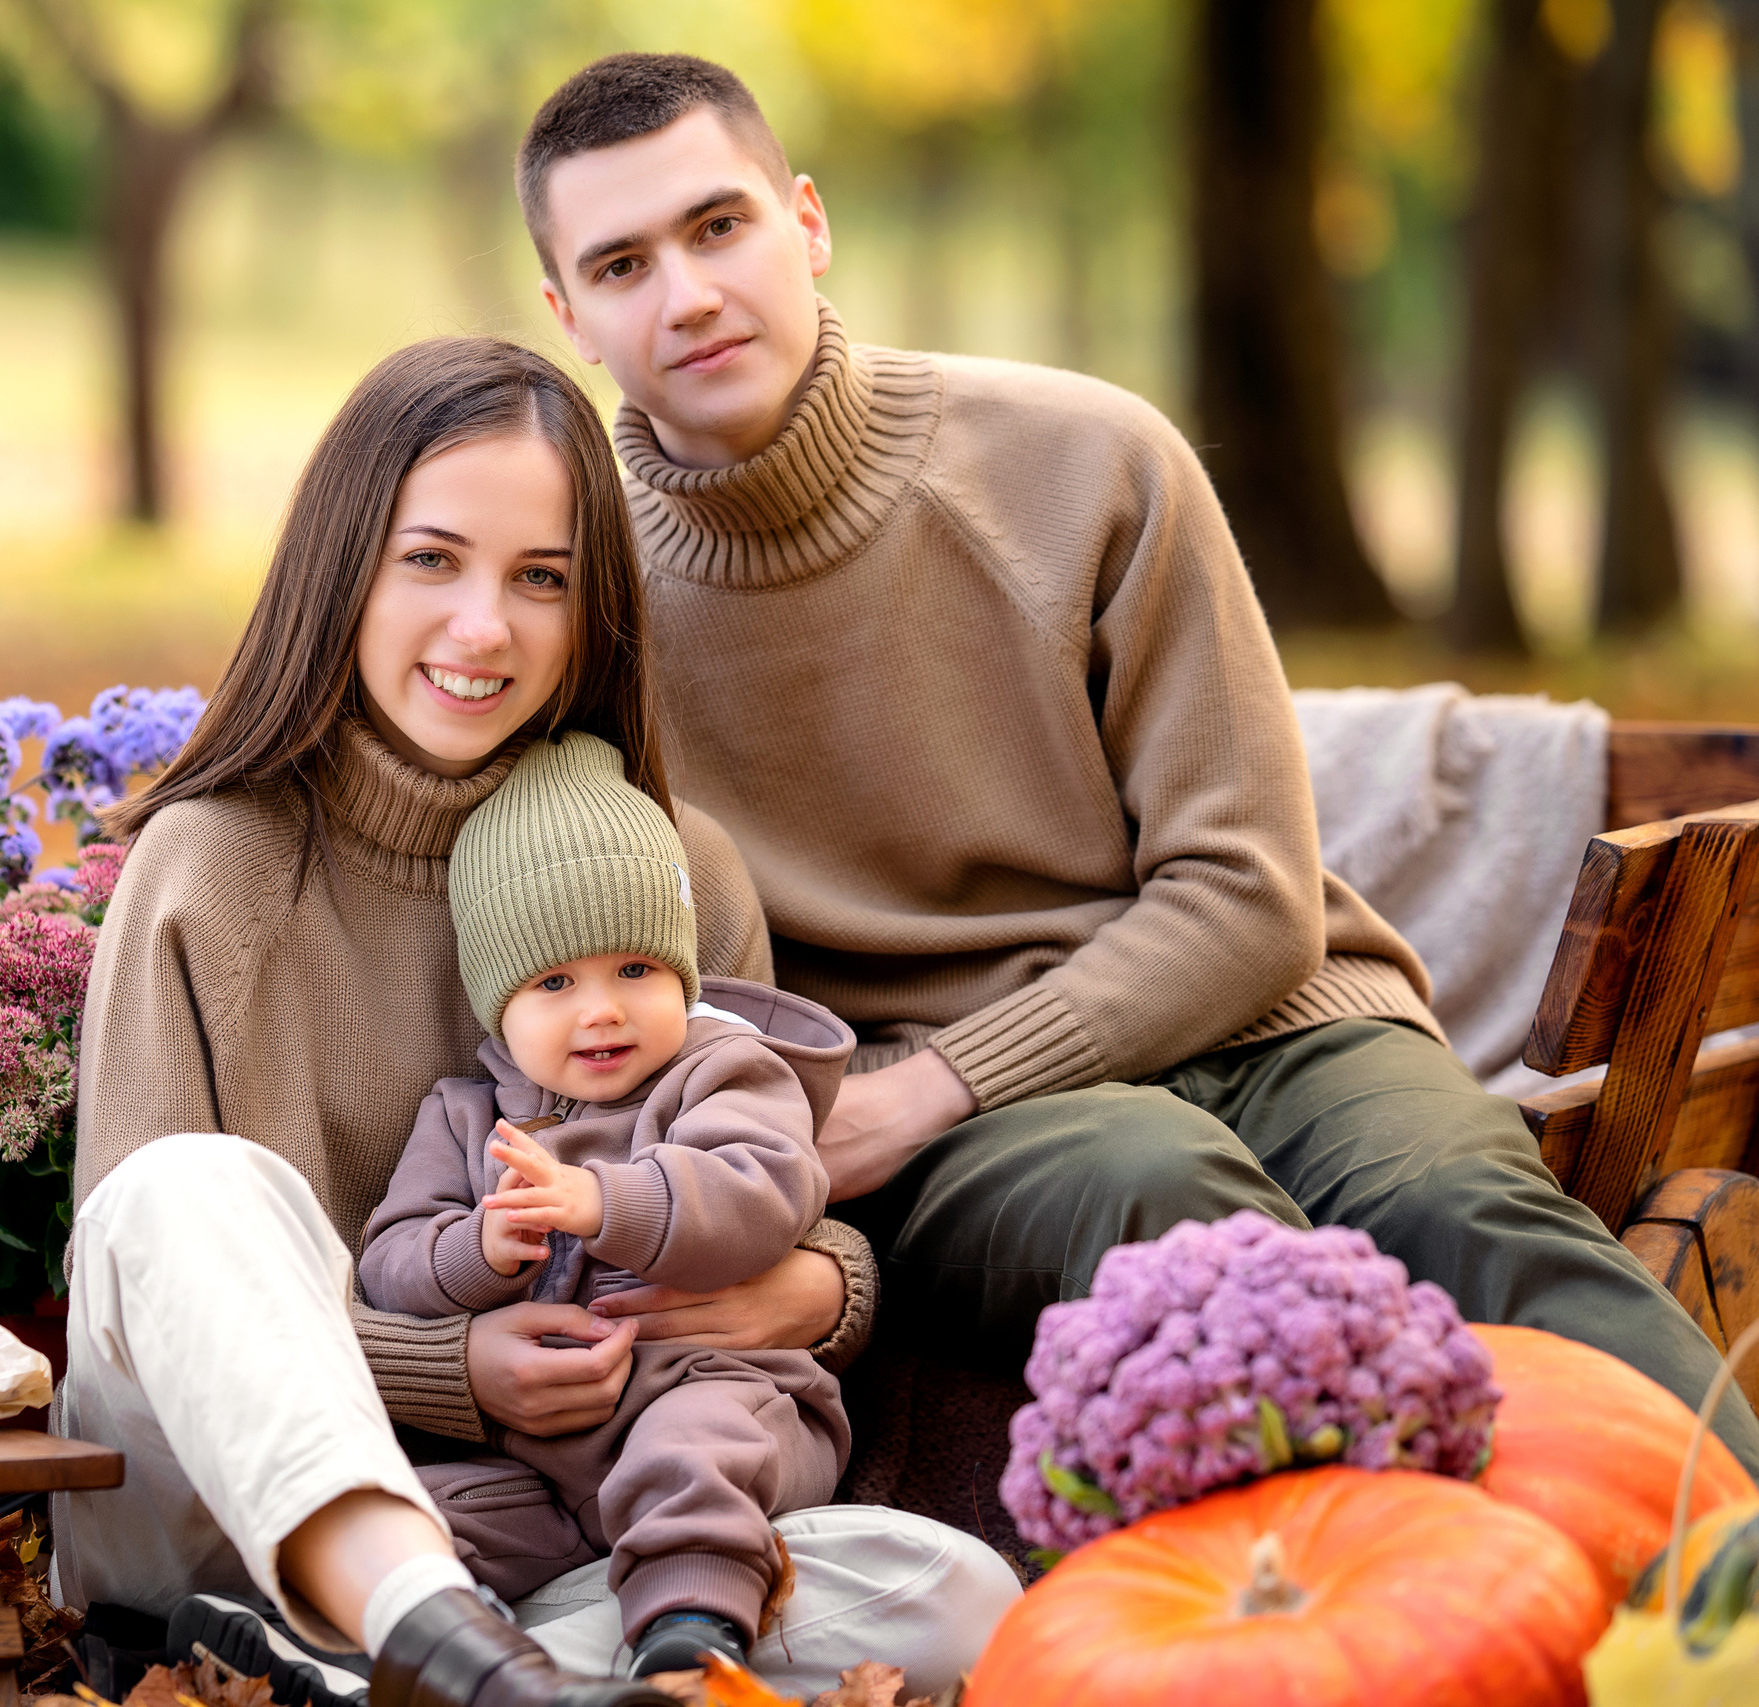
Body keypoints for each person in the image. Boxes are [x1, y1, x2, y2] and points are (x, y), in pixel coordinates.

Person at [516, 51, 1759, 1471]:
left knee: (1476, 1211)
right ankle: (1411, 1636)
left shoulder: (1089, 460)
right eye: (622, 264)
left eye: (718, 225)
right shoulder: (580, 603)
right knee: (1182, 1223)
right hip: (973, 1136)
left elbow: (1247, 892)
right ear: (571, 317)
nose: (686, 293)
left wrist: (923, 1089)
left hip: (1271, 1024)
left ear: (806, 223)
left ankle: (1723, 1601)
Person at [60, 336, 1021, 1707]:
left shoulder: (674, 872)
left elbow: (784, 1207)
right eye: (431, 560)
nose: (483, 629)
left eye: (542, 578)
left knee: (953, 1595)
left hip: (547, 1520)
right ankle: (414, 1635)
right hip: (216, 1508)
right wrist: (459, 1369)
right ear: (346, 568)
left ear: (596, 610)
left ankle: (394, 1678)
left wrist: (817, 1289)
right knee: (190, 1183)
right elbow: (152, 1275)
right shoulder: (214, 864)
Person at [359, 731, 854, 1679]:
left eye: (635, 969)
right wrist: (478, 1247)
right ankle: (384, 1657)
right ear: (496, 1003)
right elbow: (390, 1259)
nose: (602, 1009)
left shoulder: (723, 1071)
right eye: (555, 983)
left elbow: (763, 1189)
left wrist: (601, 1199)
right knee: (424, 1513)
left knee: (689, 1455)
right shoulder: (465, 1119)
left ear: (681, 972)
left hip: (715, 1389)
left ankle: (690, 1640)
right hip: (543, 1457)